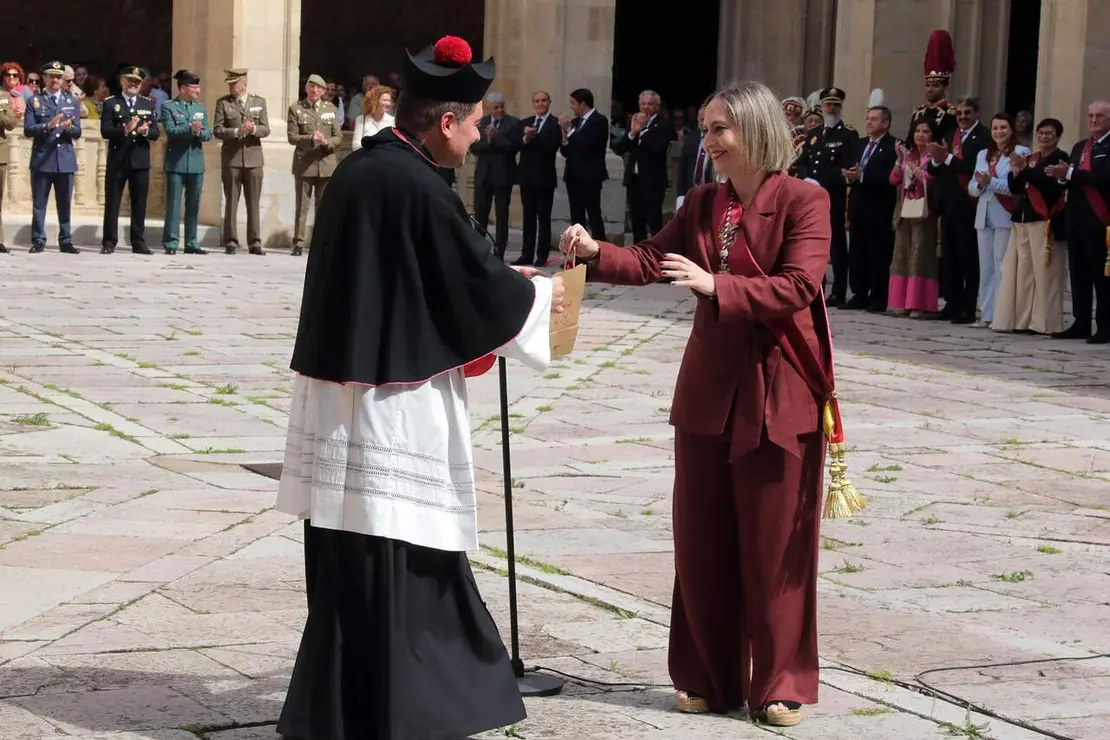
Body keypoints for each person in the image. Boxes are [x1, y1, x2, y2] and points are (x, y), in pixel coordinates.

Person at [275, 35, 566, 740]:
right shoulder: (420, 187)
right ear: (444, 121)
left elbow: (419, 278)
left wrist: (498, 284)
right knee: (406, 547)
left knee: (348, 557)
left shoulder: (358, 172)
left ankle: (341, 709)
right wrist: (542, 296)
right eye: (472, 124)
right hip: (393, 405)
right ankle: (417, 705)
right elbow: (471, 286)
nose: (475, 137)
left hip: (338, 393)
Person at [561, 79, 845, 728]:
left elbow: (799, 286)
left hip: (780, 394)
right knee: (701, 543)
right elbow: (651, 260)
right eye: (709, 128)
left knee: (777, 550)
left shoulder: (805, 200)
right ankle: (706, 677)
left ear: (758, 131)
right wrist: (593, 252)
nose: (709, 140)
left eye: (722, 129)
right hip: (708, 396)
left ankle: (780, 682)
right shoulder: (704, 203)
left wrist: (717, 284)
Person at [994, 117, 1069, 334]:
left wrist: (1023, 170)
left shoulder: (1060, 157)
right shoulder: (1032, 157)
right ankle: (1022, 320)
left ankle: (1045, 322)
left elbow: (1046, 183)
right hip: (1023, 218)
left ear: (1057, 136)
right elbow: (1015, 187)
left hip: (1043, 219)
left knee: (1045, 274)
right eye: (1041, 133)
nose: (1044, 137)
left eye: (1049, 133)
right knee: (1022, 273)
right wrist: (1017, 172)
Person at [968, 113, 1029, 328]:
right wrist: (981, 184)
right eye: (995, 128)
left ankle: (1002, 316)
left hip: (1005, 213)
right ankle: (986, 314)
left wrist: (990, 181)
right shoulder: (984, 154)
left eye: (1003, 127)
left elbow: (1015, 188)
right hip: (983, 214)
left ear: (1011, 130)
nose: (998, 132)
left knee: (1001, 265)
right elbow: (972, 188)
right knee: (985, 267)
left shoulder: (1020, 152)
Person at [100, 66, 159, 255]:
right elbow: (105, 131)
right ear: (122, 81)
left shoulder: (148, 104)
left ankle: (138, 241)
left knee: (139, 203)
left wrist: (146, 131)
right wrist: (125, 130)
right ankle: (109, 241)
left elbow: (156, 132)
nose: (133, 84)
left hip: (140, 160)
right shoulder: (111, 103)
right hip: (118, 159)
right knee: (112, 202)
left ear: (141, 85)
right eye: (130, 80)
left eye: (137, 81)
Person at [24, 61, 81, 254]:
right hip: (43, 158)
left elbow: (78, 132)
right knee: (39, 203)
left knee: (64, 202)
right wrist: (48, 126)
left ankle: (65, 239)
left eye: (58, 76)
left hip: (64, 158)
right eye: (51, 76)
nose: (55, 80)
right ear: (45, 78)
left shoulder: (71, 101)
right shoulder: (35, 101)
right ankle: (38, 239)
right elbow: (28, 129)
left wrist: (69, 128)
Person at [213, 68, 271, 255]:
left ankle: (254, 241)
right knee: (231, 201)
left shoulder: (258, 101)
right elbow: (218, 130)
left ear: (244, 84)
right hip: (232, 158)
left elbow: (266, 129)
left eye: (234, 84)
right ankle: (230, 240)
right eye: (230, 84)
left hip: (254, 159)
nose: (231, 87)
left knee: (253, 202)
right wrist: (238, 131)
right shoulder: (223, 103)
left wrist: (253, 129)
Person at [888, 120, 941, 317]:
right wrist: (899, 159)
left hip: (924, 211)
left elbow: (932, 181)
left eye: (925, 131)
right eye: (917, 131)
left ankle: (918, 303)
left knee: (920, 255)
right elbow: (893, 179)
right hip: (904, 209)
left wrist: (915, 169)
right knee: (901, 254)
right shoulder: (908, 154)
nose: (920, 135)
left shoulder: (933, 157)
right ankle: (900, 301)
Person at [287, 74, 341, 256]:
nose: (315, 91)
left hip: (325, 163)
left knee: (323, 206)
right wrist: (310, 138)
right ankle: (299, 242)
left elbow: (338, 137)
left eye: (319, 88)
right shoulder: (296, 109)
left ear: (324, 91)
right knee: (302, 205)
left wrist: (326, 141)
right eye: (312, 87)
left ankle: (320, 242)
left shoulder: (331, 109)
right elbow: (292, 136)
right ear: (306, 88)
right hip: (305, 163)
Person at [161, 70, 211, 255]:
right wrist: (189, 129)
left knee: (194, 204)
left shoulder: (200, 109)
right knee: (174, 204)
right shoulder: (169, 107)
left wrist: (199, 132)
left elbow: (208, 134)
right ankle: (171, 242)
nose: (198, 90)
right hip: (177, 161)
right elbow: (171, 131)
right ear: (183, 88)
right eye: (194, 86)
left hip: (196, 162)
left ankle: (191, 242)